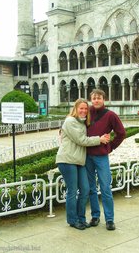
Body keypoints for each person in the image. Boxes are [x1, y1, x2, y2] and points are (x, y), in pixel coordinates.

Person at [56, 98, 110, 230]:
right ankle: (72, 220)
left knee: (85, 189)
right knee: (72, 191)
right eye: (81, 108)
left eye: (86, 109)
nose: (84, 111)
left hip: (79, 161)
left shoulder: (83, 122)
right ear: (75, 109)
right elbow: (81, 140)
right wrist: (100, 139)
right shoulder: (70, 121)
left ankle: (81, 218)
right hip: (67, 160)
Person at [86, 89, 126, 231]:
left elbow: (121, 133)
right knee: (91, 188)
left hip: (101, 157)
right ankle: (95, 216)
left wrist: (111, 147)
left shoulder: (110, 115)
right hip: (87, 156)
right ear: (91, 99)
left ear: (104, 99)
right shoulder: (87, 112)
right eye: (94, 98)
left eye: (99, 98)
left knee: (105, 188)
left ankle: (109, 219)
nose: (96, 100)